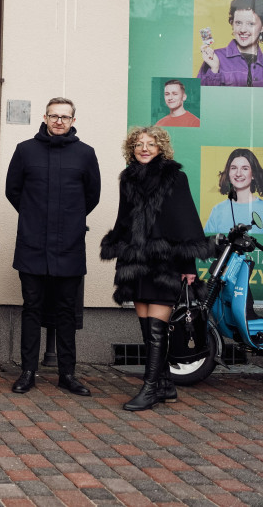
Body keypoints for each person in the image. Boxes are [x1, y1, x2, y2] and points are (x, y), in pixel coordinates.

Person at [100, 126, 211, 411]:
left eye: (150, 144)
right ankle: (165, 385)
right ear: (132, 149)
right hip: (137, 262)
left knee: (158, 327)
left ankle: (150, 389)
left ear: (161, 148)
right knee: (146, 326)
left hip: (166, 263)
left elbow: (186, 221)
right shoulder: (128, 179)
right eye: (139, 144)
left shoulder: (176, 177)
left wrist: (188, 265)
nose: (144, 148)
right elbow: (123, 219)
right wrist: (120, 250)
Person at [5, 97, 100, 396]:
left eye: (65, 117)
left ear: (74, 120)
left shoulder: (85, 154)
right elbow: (13, 190)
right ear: (45, 118)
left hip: (69, 246)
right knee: (31, 308)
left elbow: (92, 196)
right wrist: (35, 217)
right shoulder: (25, 150)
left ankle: (67, 374)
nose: (59, 121)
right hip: (32, 244)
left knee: (66, 312)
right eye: (54, 116)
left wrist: (69, 221)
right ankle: (28, 371)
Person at [198, 0, 263, 87]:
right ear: (232, 24)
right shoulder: (215, 58)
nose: (243, 30)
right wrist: (214, 70)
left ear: (262, 27)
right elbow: (199, 98)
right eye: (238, 23)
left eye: (250, 24)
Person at [203, 148, 263, 234]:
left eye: (245, 168)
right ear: (228, 173)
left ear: (253, 174)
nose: (238, 174)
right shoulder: (217, 210)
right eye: (234, 168)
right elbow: (207, 245)